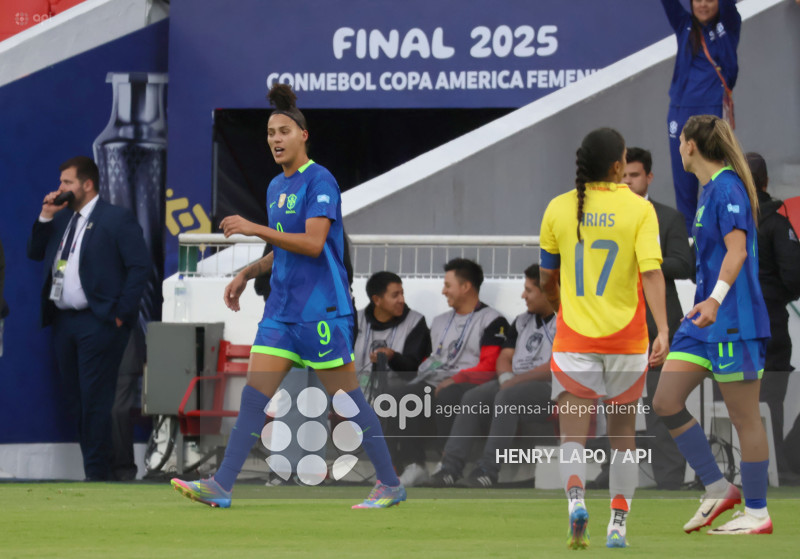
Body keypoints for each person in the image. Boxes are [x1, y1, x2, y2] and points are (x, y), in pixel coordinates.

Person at [170, 84, 405, 509]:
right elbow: (282, 248)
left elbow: (314, 243)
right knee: (253, 399)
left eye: (283, 131)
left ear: (303, 135)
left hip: (322, 312)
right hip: (281, 312)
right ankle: (222, 486)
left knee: (347, 402)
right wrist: (247, 271)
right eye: (269, 133)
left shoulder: (321, 180)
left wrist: (254, 228)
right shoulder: (276, 186)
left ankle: (390, 483)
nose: (275, 139)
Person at [539, 128, 669, 549]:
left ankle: (576, 501)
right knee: (623, 439)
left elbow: (546, 279)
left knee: (572, 438)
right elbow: (651, 272)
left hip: (574, 340)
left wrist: (563, 309)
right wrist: (663, 328)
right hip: (627, 342)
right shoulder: (639, 210)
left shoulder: (558, 208)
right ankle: (618, 525)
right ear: (618, 165)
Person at [653, 115, 773, 535]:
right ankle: (718, 487)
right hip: (702, 323)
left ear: (689, 146)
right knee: (665, 400)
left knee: (745, 420)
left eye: (679, 141)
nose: (678, 147)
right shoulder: (708, 191)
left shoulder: (727, 188)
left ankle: (757, 513)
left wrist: (714, 301)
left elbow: (737, 252)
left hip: (732, 321)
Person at [27, 156, 149, 481]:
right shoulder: (65, 221)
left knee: (96, 399)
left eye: (67, 182)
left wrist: (123, 313)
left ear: (87, 184)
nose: (60, 189)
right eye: (60, 183)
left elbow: (139, 267)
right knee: (77, 400)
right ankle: (97, 469)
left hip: (99, 320)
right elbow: (34, 251)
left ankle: (97, 475)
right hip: (65, 322)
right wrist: (45, 216)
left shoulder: (115, 218)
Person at [385, 258, 509, 487]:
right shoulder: (440, 321)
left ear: (466, 287)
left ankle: (447, 464)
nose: (443, 291)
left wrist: (457, 378)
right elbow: (430, 360)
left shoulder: (492, 320)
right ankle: (415, 465)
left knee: (449, 394)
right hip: (435, 381)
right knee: (399, 397)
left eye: (448, 285)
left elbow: (490, 367)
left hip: (470, 384)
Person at [431, 264, 556, 488]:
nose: (523, 295)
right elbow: (504, 357)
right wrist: (507, 378)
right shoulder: (522, 321)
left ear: (547, 291)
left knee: (507, 399)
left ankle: (488, 470)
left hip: (550, 389)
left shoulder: (566, 321)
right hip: (513, 382)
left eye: (529, 290)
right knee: (472, 397)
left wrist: (513, 382)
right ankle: (449, 468)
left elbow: (555, 366)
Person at [624, 147, 693, 489]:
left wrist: (645, 262)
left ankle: (669, 483)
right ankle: (611, 476)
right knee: (614, 408)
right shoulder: (606, 218)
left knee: (661, 407)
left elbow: (685, 263)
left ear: (649, 177)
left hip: (658, 327)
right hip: (615, 327)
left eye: (634, 175)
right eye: (621, 175)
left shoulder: (668, 218)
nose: (627, 181)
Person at [661, 0, 742, 233]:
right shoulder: (684, 24)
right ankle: (688, 246)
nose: (703, 4)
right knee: (684, 184)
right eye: (698, 0)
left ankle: (720, 238)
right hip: (679, 112)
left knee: (715, 180)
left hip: (712, 113)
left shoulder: (729, 22)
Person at [747, 152, 800, 482]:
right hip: (770, 326)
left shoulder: (723, 221)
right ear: (766, 182)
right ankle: (776, 471)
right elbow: (794, 276)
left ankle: (746, 469)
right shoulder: (778, 223)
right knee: (770, 405)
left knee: (739, 405)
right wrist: (779, 295)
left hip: (729, 330)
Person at [354, 271, 431, 398]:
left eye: (402, 294)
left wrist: (393, 357)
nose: (402, 300)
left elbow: (413, 370)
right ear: (377, 300)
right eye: (395, 295)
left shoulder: (415, 322)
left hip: (398, 399)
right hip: (355, 395)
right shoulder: (356, 320)